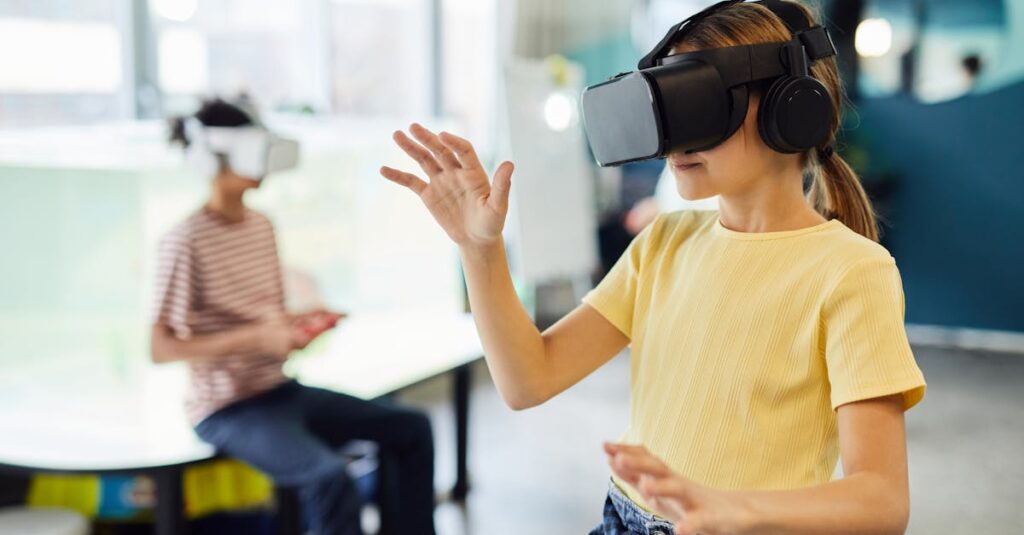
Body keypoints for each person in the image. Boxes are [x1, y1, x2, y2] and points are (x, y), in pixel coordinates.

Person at [378, 1, 926, 533]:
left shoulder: (852, 272)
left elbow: (881, 501)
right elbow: (527, 380)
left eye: (700, 102)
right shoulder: (664, 241)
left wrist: (738, 510)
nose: (674, 138)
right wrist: (481, 250)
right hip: (621, 517)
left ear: (791, 106)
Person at [151, 99, 437, 535]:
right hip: (227, 409)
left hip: (281, 390)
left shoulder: (260, 225)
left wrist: (298, 324)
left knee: (411, 428)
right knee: (328, 478)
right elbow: (160, 347)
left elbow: (266, 317)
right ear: (214, 156)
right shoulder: (184, 240)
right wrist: (256, 339)